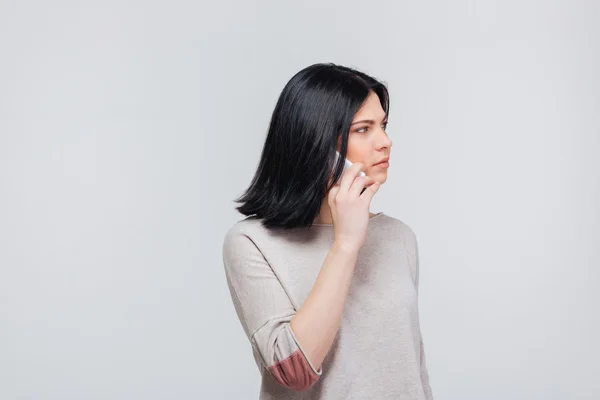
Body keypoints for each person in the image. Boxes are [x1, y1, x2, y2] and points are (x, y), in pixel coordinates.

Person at [222, 63, 434, 399]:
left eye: (383, 125)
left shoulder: (398, 237)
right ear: (315, 142)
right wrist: (346, 244)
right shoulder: (252, 242)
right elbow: (293, 371)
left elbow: (413, 368)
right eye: (363, 129)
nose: (386, 142)